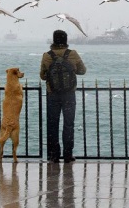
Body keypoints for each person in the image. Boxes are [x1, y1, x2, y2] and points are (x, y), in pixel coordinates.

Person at [40, 30, 86, 163]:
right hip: (69, 95)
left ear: (53, 40)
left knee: (53, 125)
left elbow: (43, 76)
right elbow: (83, 71)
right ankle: (67, 155)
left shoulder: (47, 56)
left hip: (53, 95)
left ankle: (54, 155)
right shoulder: (73, 54)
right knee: (68, 125)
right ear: (66, 40)